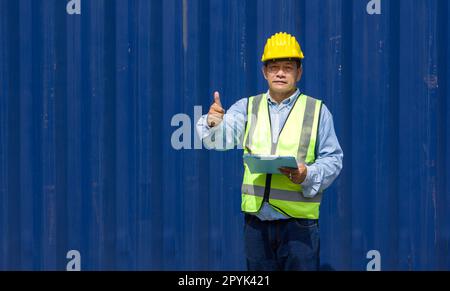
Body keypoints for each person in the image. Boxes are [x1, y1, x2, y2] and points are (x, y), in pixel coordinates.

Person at [196, 32, 343, 271]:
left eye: (288, 67)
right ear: (265, 72)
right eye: (274, 67)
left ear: (299, 72)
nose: (281, 73)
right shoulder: (247, 107)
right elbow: (219, 141)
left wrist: (307, 174)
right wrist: (213, 123)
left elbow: (334, 160)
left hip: (300, 228)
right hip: (257, 226)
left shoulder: (317, 111)